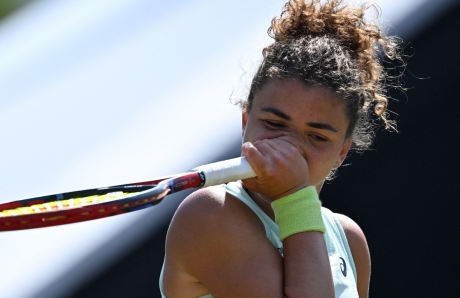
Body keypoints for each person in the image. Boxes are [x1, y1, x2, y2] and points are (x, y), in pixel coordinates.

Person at [160, 0, 402, 297]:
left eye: (317, 137)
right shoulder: (209, 213)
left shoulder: (349, 240)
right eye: (274, 123)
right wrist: (294, 197)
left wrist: (295, 200)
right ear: (246, 120)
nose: (288, 148)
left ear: (342, 152)